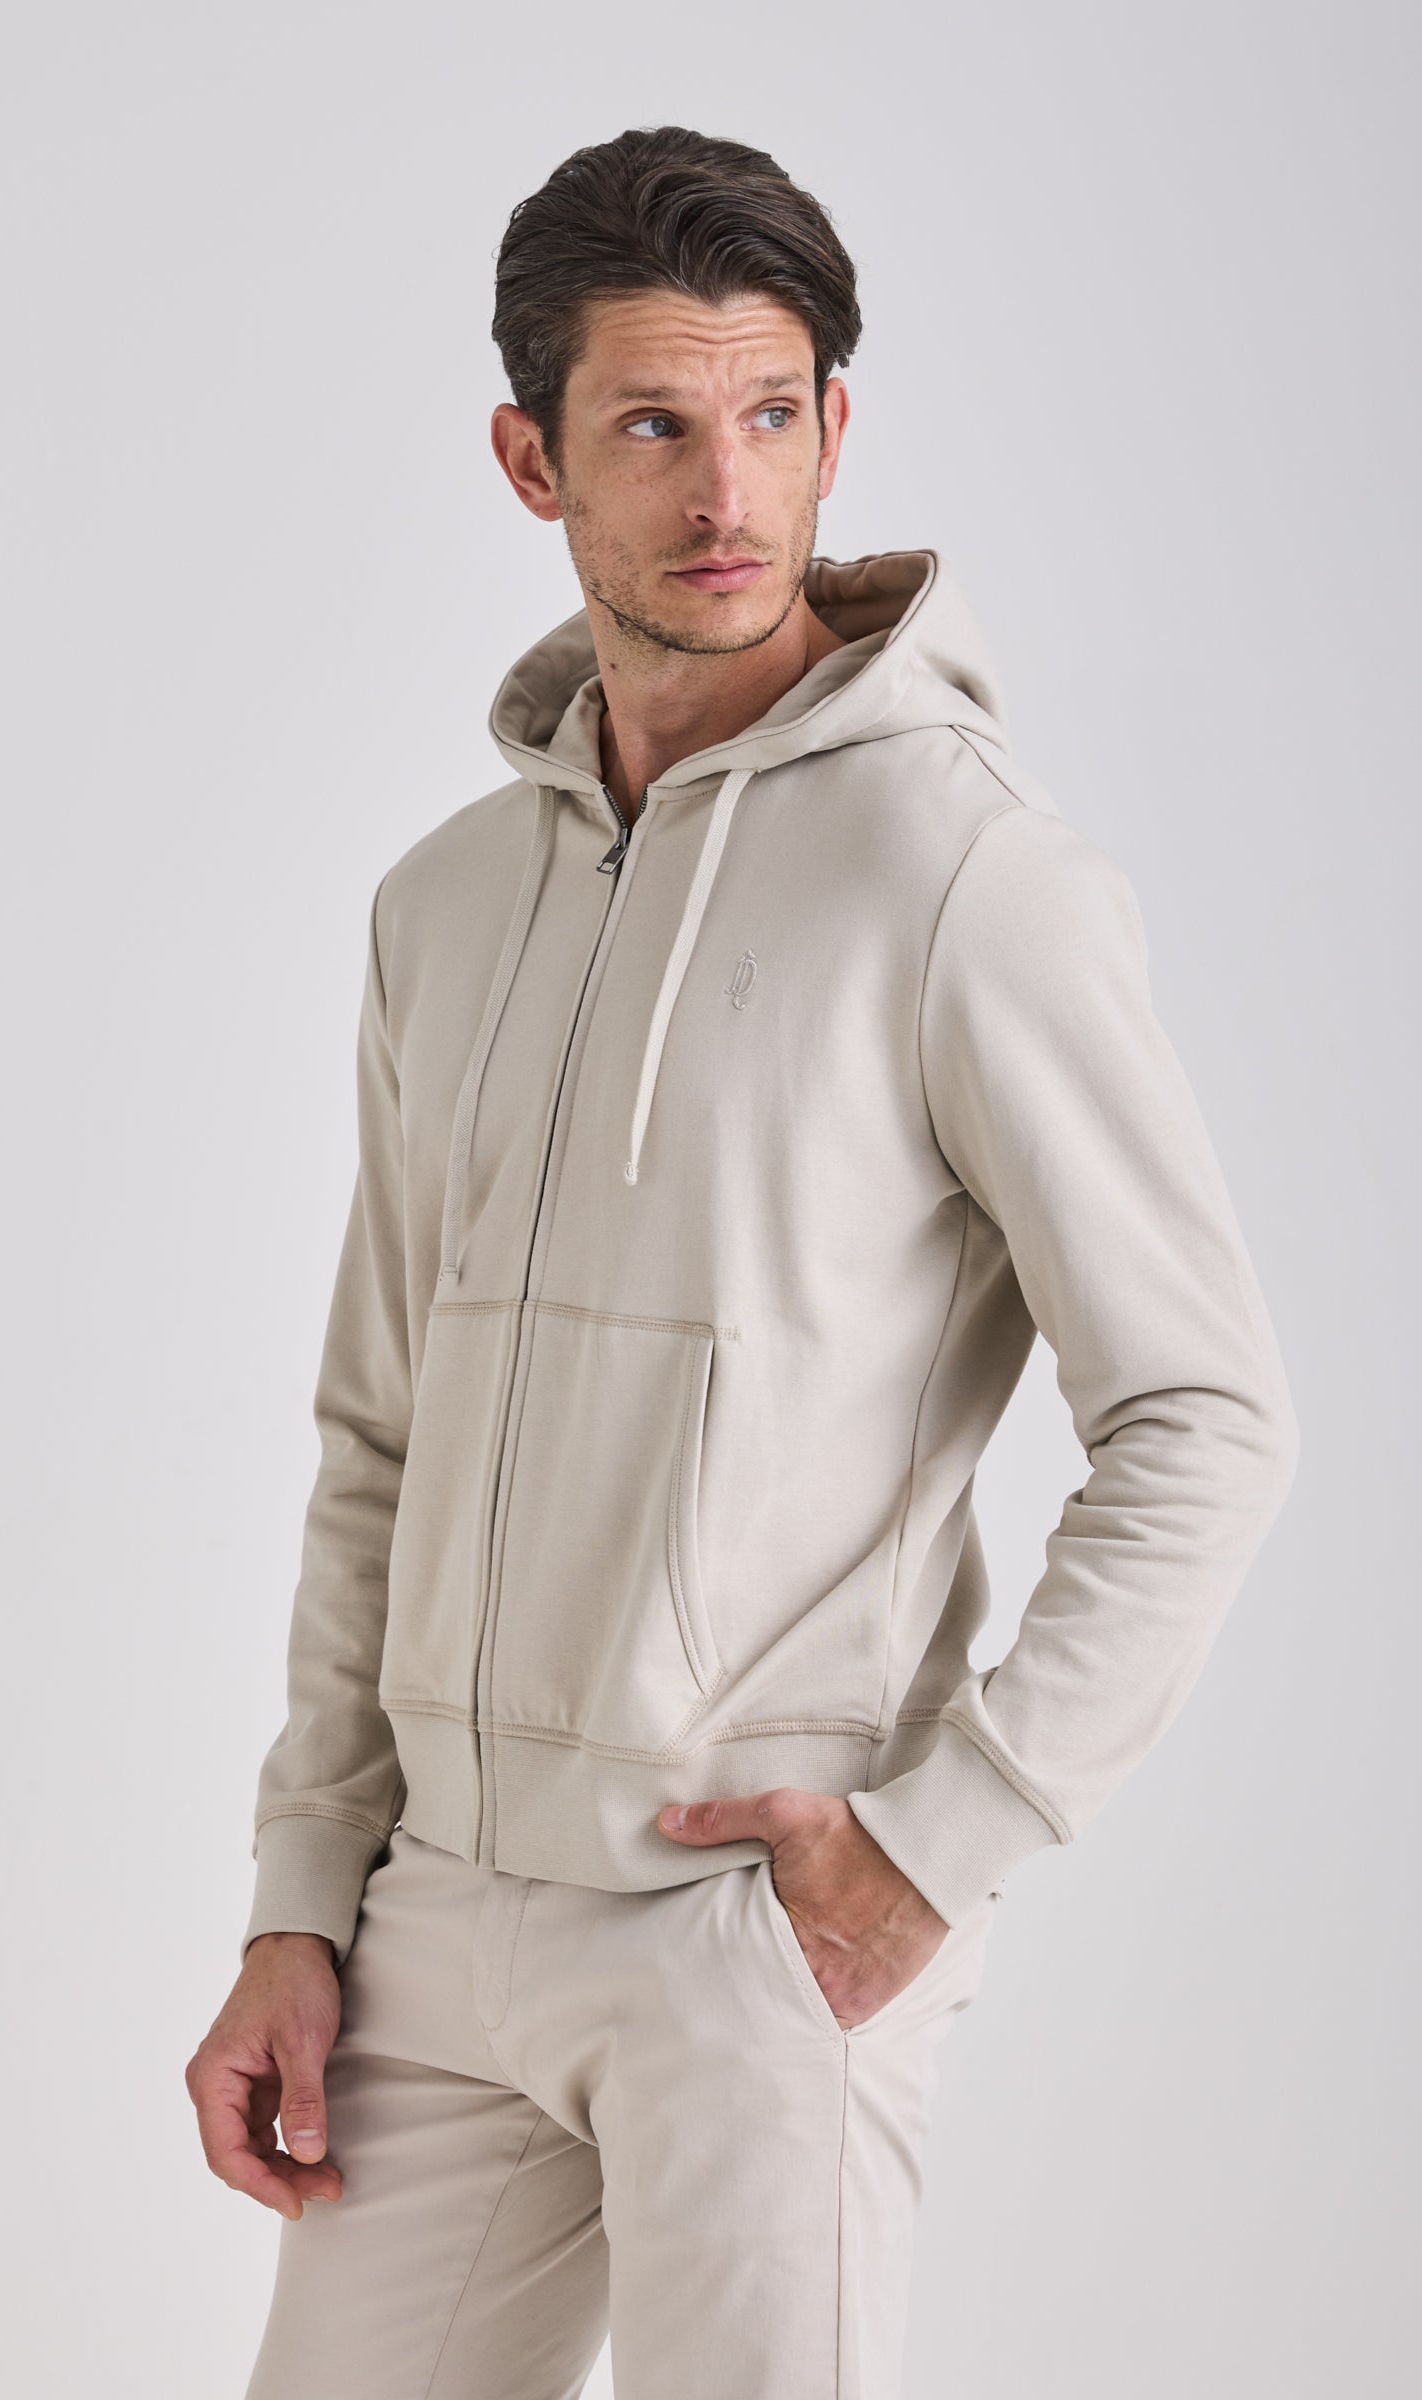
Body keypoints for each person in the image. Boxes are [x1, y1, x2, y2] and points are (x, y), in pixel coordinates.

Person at [185, 125, 1299, 2399]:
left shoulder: (964, 876)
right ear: (531, 461)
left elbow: (1203, 1417)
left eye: (771, 415)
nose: (726, 493)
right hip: (435, 1930)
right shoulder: (442, 908)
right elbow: (379, 1434)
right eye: (653, 428)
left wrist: (942, 1842)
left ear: (834, 428)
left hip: (750, 1927)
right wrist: (306, 1891)